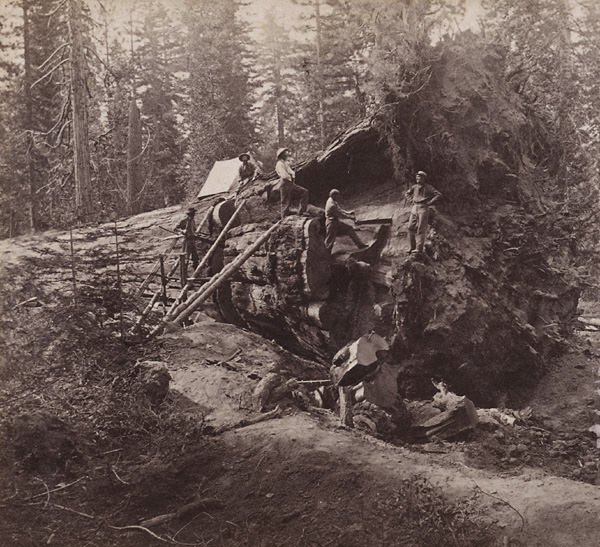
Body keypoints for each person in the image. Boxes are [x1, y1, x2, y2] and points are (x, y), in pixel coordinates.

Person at [406, 170, 442, 254]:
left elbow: (438, 194)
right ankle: (412, 247)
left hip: (423, 208)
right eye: (417, 176)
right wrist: (411, 200)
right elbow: (407, 194)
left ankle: (419, 249)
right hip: (414, 207)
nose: (418, 178)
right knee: (410, 227)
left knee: (421, 228)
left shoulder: (429, 187)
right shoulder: (414, 187)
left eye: (420, 177)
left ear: (424, 178)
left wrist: (430, 202)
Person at [275, 147, 308, 216]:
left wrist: (293, 174)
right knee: (285, 202)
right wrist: (290, 176)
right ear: (281, 155)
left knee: (304, 192)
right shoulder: (279, 164)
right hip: (285, 183)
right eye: (285, 153)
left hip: (289, 183)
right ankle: (283, 218)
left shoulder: (285, 163)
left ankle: (301, 212)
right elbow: (284, 175)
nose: (287, 154)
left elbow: (291, 171)